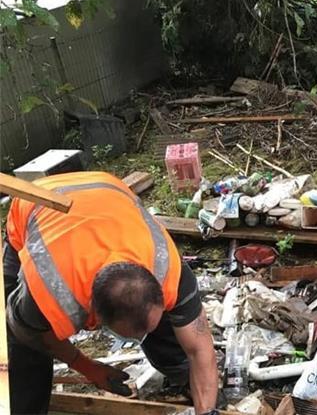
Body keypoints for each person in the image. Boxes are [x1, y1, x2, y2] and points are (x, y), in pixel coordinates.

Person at [4, 171, 220, 414]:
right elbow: (28, 332)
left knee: (169, 332)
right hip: (39, 202)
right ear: (94, 315)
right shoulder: (48, 293)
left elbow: (200, 348)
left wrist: (207, 411)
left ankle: (187, 382)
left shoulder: (170, 272)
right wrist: (86, 366)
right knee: (25, 355)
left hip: (107, 189)